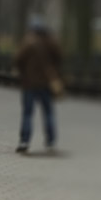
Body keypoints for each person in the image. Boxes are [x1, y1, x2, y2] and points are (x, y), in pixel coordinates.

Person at [14, 22, 63, 153]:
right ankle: (51, 141)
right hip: (46, 84)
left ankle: (24, 141)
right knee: (48, 112)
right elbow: (59, 58)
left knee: (28, 113)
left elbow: (18, 59)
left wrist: (23, 73)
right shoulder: (51, 42)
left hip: (29, 84)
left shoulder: (28, 43)